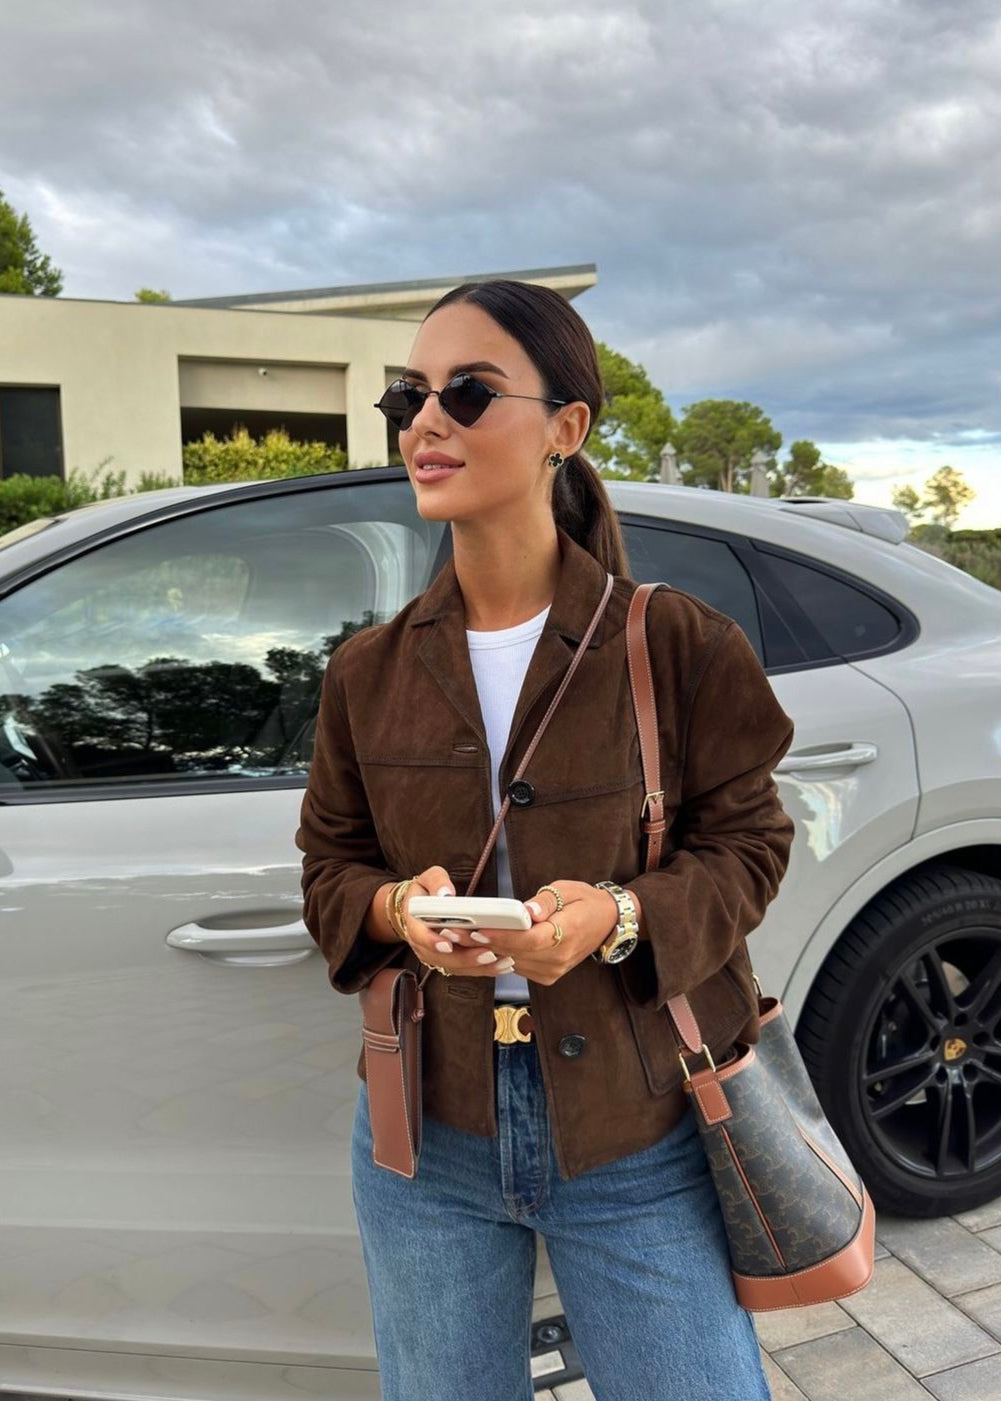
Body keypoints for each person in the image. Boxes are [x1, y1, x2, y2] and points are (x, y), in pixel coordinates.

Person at [295, 278, 796, 1401]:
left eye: (467, 393)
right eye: (408, 396)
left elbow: (749, 846)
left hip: (637, 1125)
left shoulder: (674, 643)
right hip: (427, 1136)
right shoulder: (367, 672)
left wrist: (616, 916)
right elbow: (329, 868)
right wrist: (398, 912)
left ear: (564, 427)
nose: (426, 421)